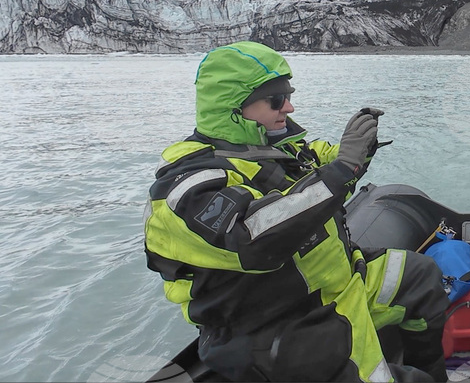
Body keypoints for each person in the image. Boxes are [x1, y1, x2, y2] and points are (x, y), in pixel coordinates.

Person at [144, 41, 449, 382]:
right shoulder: (188, 184)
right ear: (235, 107)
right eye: (276, 99)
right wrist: (343, 170)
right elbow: (251, 238)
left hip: (331, 286)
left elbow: (322, 162)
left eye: (287, 94)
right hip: (276, 324)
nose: (288, 106)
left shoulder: (276, 148)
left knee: (420, 277)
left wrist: (357, 151)